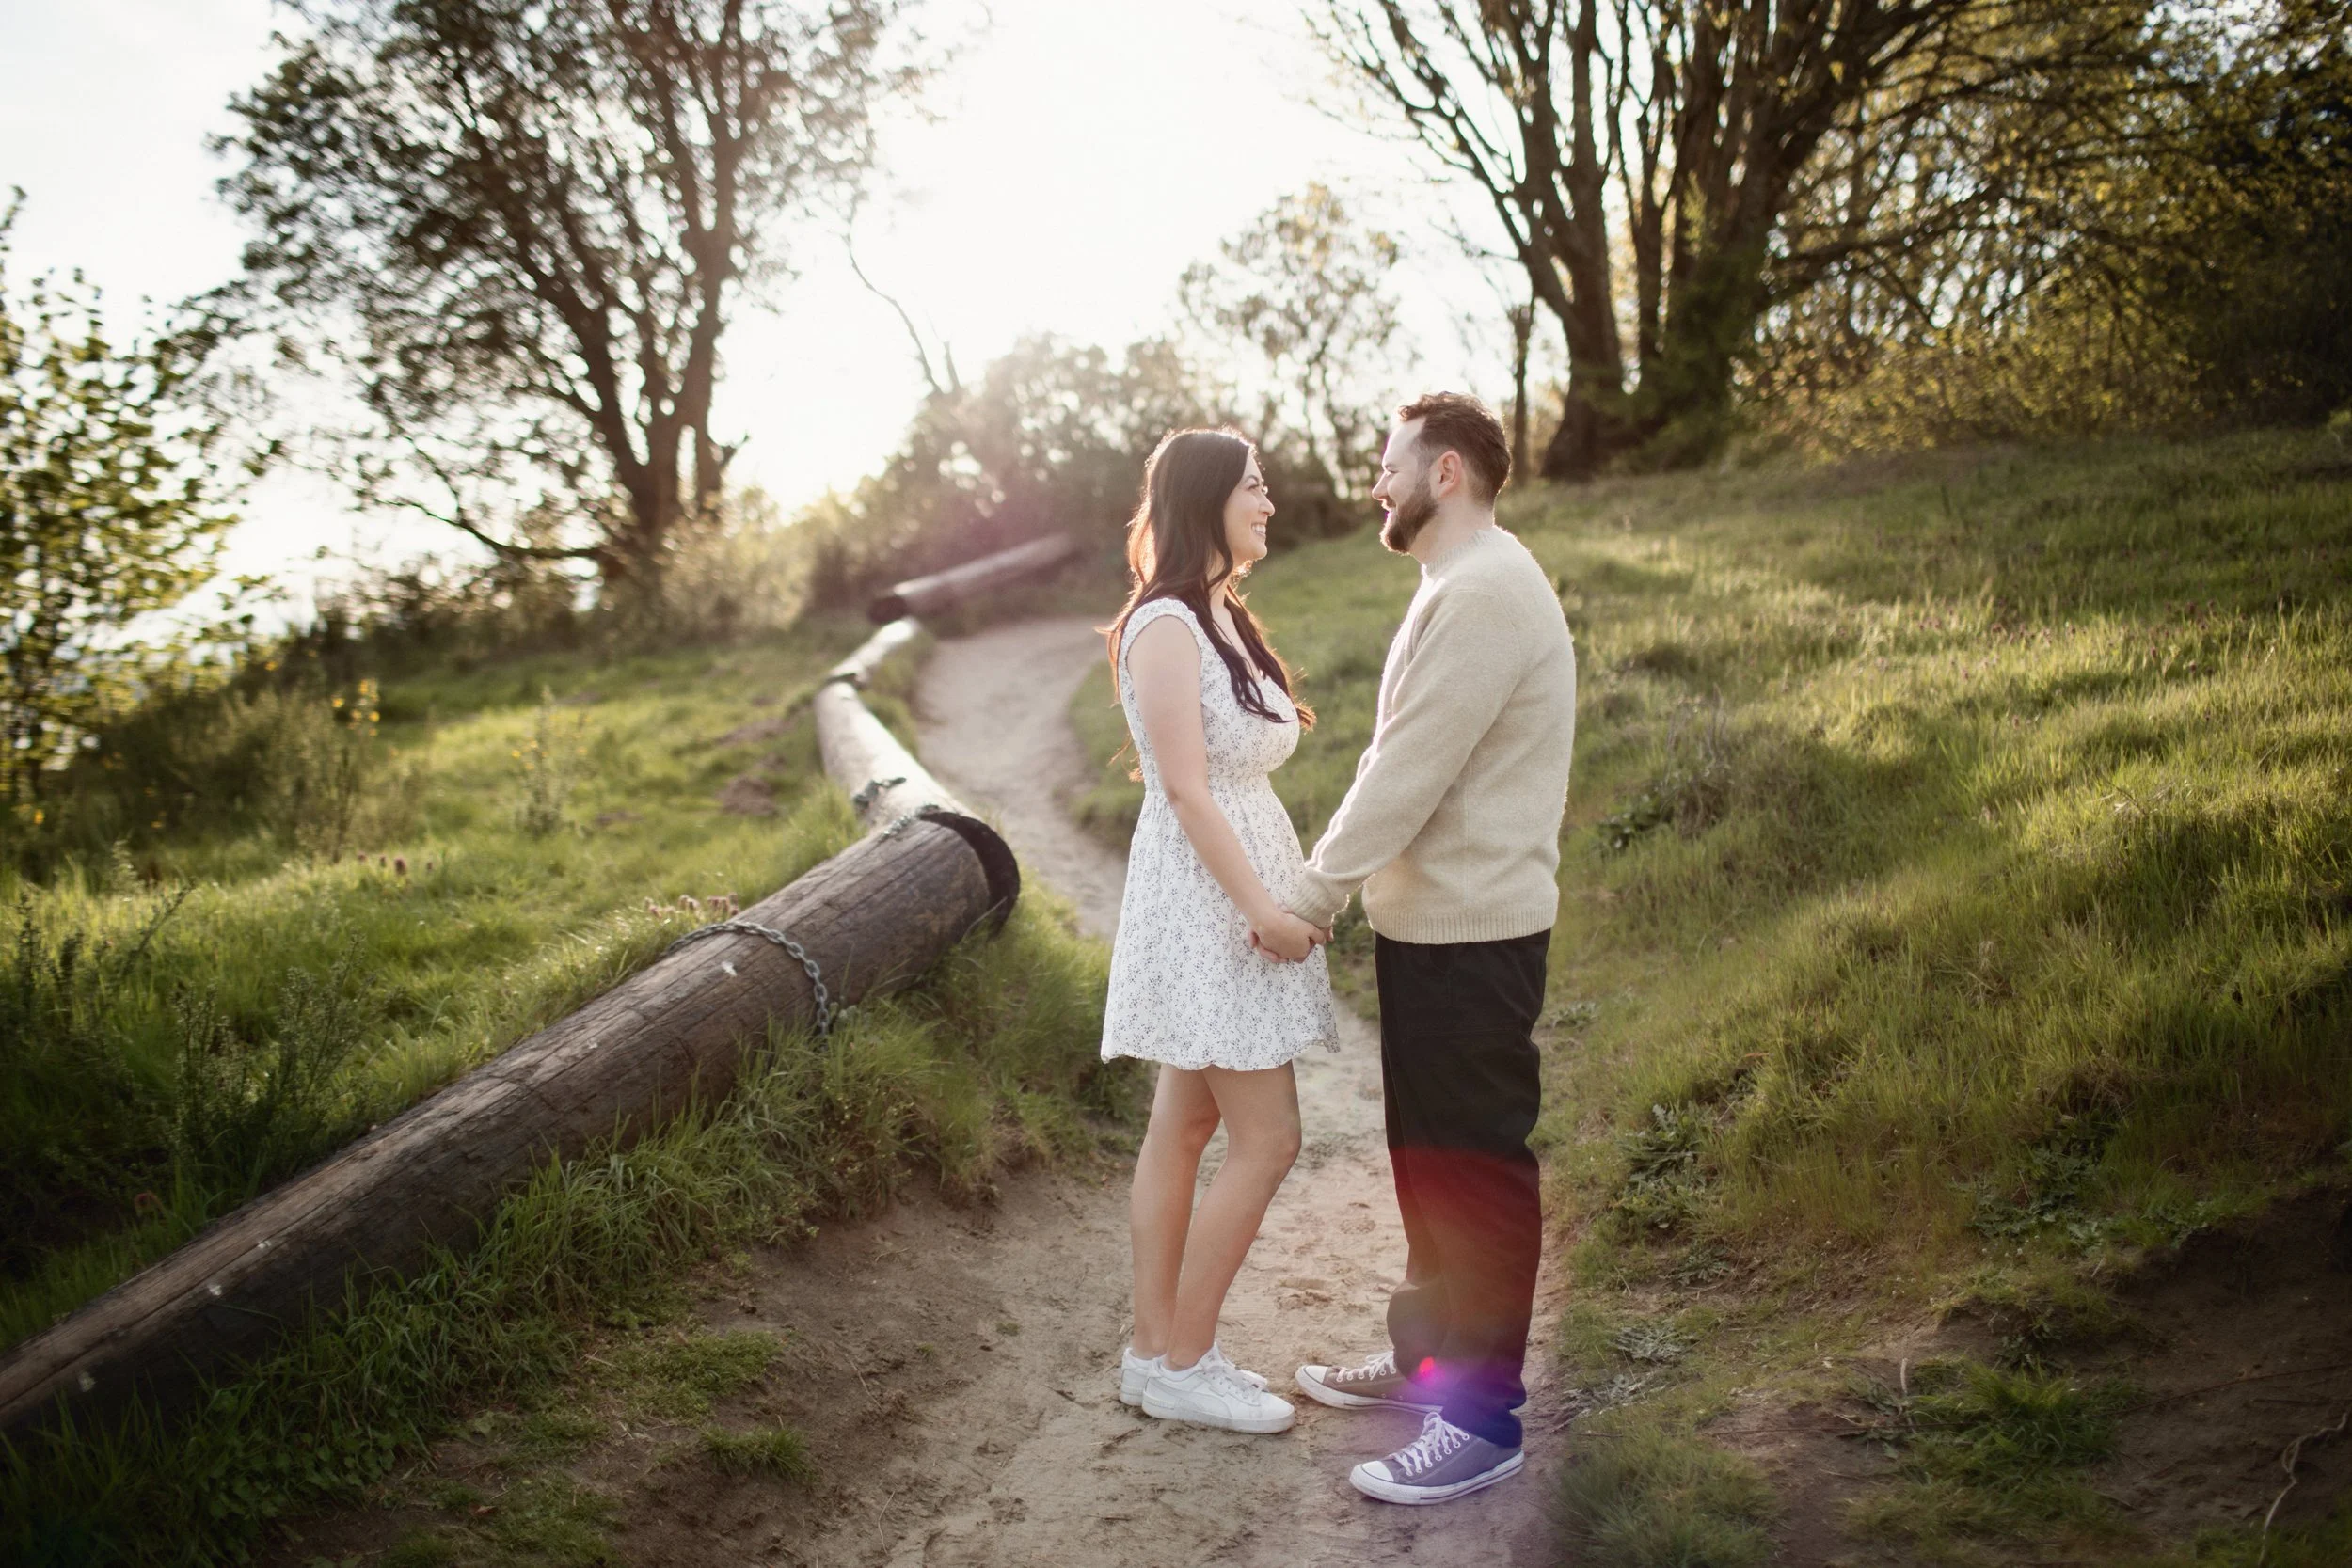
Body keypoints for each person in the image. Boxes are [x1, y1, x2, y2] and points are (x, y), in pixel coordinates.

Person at [1284, 392, 1578, 1505]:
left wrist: (1313, 891)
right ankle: (1428, 1360)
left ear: (1444, 471)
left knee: (1478, 1171)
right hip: (1428, 926)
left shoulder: (1489, 588)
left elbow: (1404, 769)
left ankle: (1484, 1417)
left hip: (1477, 933)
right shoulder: (1450, 584)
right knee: (1426, 1163)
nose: (1375, 477)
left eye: (1388, 459)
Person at [1099, 427, 1340, 1435]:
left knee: (1186, 1124)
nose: (1269, 500)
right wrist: (1265, 911)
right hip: (1210, 898)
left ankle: (1154, 1355)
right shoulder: (1164, 626)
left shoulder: (1220, 614)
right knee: (1268, 1135)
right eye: (1253, 485)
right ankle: (1186, 1357)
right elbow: (1186, 790)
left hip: (1229, 879)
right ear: (1205, 497)